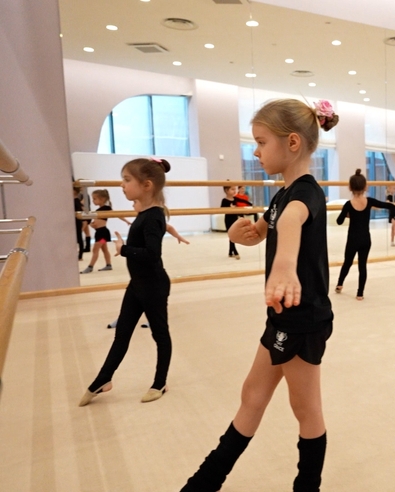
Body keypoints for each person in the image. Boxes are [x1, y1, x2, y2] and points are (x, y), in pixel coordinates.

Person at [181, 99, 338, 492]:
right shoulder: (280, 196)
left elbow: (291, 222)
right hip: (282, 315)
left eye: (260, 141)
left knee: (306, 409)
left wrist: (284, 265)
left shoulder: (306, 195)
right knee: (252, 395)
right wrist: (242, 233)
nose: (255, 150)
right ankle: (205, 482)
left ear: (292, 143)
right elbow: (266, 227)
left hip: (304, 318)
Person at [78, 158, 173, 407]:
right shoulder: (145, 214)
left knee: (160, 335)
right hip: (137, 286)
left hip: (153, 286)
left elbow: (153, 254)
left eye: (127, 180)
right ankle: (103, 379)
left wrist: (124, 248)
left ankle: (159, 382)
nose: (122, 185)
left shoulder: (153, 216)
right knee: (121, 336)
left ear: (147, 185)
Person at [106, 200, 189, 329]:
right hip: (139, 272)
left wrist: (178, 236)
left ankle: (150, 320)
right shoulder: (141, 220)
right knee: (135, 300)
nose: (132, 205)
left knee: (151, 301)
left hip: (151, 273)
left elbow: (167, 229)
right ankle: (123, 319)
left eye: (135, 202)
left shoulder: (151, 219)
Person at [335, 169, 395, 300]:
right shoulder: (369, 201)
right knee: (362, 266)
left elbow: (339, 221)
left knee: (347, 263)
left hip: (352, 240)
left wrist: (348, 215)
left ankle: (340, 284)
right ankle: (360, 293)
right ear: (365, 187)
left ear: (349, 187)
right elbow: (388, 205)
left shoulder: (348, 204)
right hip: (365, 239)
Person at [80, 189, 130, 274]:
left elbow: (117, 214)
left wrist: (126, 221)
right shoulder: (99, 209)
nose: (93, 201)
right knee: (104, 249)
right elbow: (97, 222)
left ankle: (90, 267)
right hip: (99, 233)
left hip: (103, 234)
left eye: (95, 199)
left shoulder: (107, 208)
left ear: (102, 199)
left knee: (95, 249)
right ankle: (108, 265)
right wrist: (93, 225)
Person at [221, 185, 242, 259]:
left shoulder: (235, 199)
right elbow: (222, 209)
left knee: (233, 235)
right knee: (231, 235)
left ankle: (230, 252)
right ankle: (235, 252)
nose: (235, 191)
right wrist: (229, 208)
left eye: (235, 189)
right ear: (226, 191)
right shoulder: (224, 200)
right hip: (228, 219)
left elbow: (243, 202)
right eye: (232, 189)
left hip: (235, 219)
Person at [74, 186, 85, 260]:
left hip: (78, 222)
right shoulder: (75, 201)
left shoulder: (76, 201)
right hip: (77, 222)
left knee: (100, 245)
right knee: (100, 246)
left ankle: (80, 255)